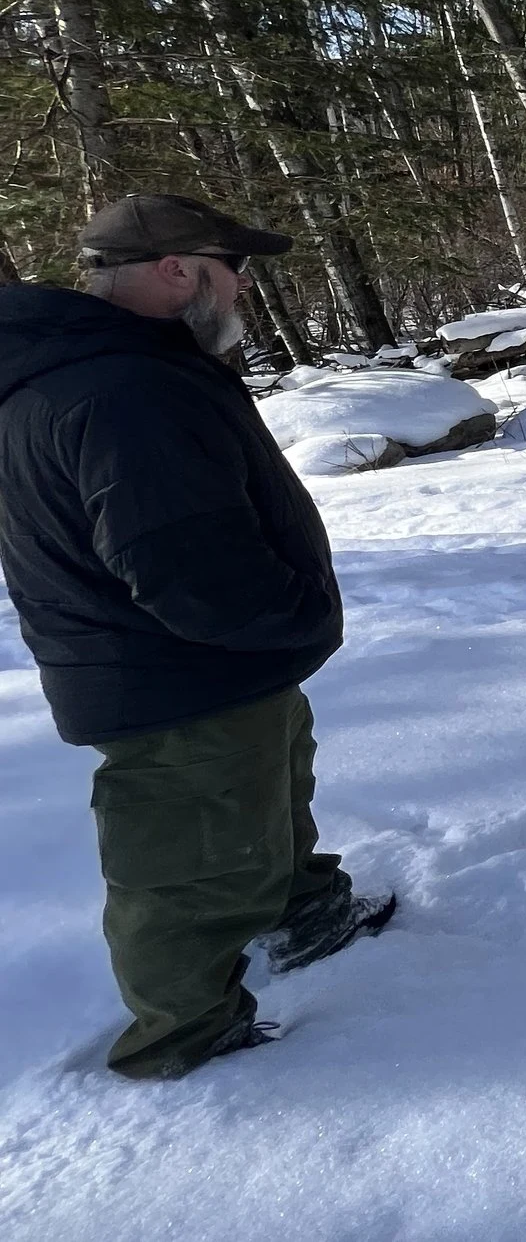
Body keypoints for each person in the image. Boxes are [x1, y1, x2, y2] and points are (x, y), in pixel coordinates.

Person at [0, 195, 394, 1080]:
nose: (245, 285)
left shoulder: (118, 364)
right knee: (188, 868)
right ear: (178, 270)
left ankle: (303, 910)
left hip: (210, 667)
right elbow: (182, 564)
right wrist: (291, 614)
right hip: (172, 676)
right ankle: (186, 1033)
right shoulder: (117, 386)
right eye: (233, 266)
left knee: (269, 791)